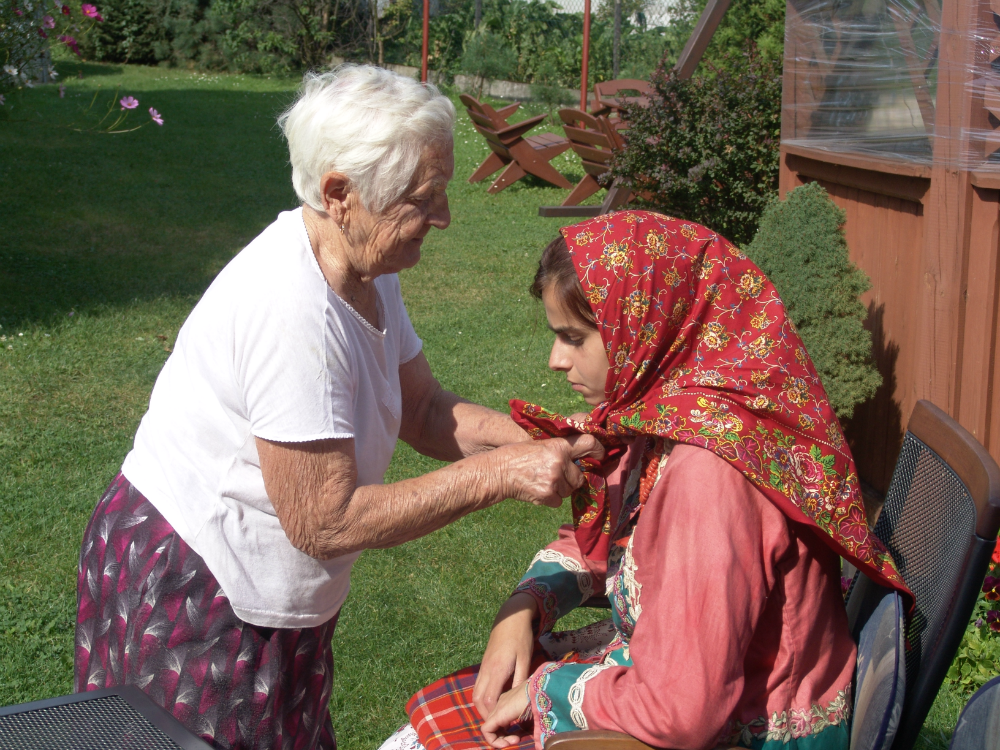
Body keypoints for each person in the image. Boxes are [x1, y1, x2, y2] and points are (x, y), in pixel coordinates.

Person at [73, 64, 600, 750]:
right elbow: (324, 520)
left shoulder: (366, 267)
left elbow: (423, 408)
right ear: (339, 194)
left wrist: (546, 440)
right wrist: (502, 474)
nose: (443, 216)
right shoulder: (290, 311)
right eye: (423, 198)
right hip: (196, 587)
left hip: (259, 587)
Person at [383, 211, 910, 750]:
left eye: (574, 337)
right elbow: (612, 539)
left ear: (641, 329)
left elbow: (681, 713)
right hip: (683, 683)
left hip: (745, 728)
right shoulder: (671, 417)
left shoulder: (707, 478)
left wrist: (548, 692)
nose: (555, 360)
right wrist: (523, 608)